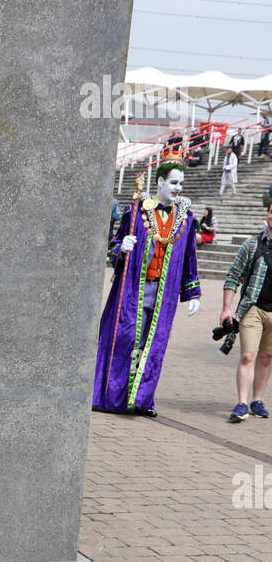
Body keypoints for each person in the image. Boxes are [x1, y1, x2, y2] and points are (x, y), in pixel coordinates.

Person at [93, 150, 201, 417]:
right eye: (174, 183)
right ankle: (113, 397)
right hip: (134, 290)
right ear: (161, 182)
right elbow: (115, 246)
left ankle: (141, 400)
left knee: (153, 345)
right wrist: (122, 247)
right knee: (126, 338)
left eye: (181, 184)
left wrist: (193, 292)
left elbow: (189, 258)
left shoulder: (186, 219)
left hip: (165, 293)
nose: (178, 188)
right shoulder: (136, 212)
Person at [220, 199, 272, 422]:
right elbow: (233, 276)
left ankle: (257, 400)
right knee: (248, 355)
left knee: (266, 358)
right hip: (252, 309)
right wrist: (226, 309)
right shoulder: (252, 245)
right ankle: (242, 403)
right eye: (271, 211)